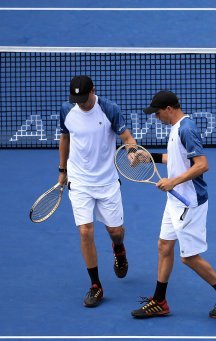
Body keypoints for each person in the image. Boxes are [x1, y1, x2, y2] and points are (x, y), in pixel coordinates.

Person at [131, 90, 216, 319]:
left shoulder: (186, 128)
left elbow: (202, 165)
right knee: (164, 245)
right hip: (174, 200)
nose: (156, 117)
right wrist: (148, 156)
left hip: (188, 203)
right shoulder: (176, 129)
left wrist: (173, 181)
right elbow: (176, 159)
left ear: (169, 109)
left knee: (189, 258)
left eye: (158, 112)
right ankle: (159, 301)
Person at [59, 75, 138, 307]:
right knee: (85, 232)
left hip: (106, 182)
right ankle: (95, 285)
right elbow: (65, 138)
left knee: (115, 231)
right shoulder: (67, 110)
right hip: (80, 181)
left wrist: (132, 152)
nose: (80, 103)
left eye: (84, 98)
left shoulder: (109, 109)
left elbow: (127, 137)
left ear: (94, 90)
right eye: (77, 99)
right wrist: (62, 170)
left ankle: (119, 248)